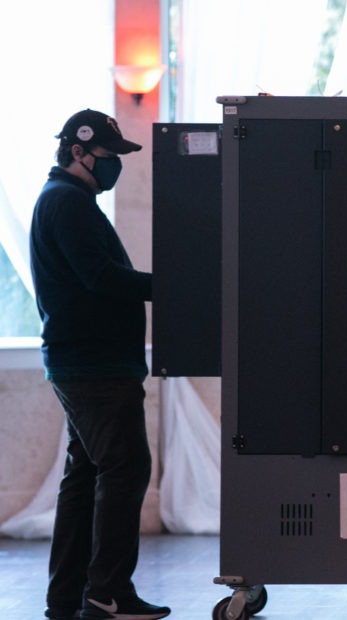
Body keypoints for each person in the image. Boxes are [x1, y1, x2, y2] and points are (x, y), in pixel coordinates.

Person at [30, 109, 169, 620]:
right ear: (78, 152)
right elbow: (101, 277)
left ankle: (67, 596)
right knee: (126, 468)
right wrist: (172, 284)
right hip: (95, 366)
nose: (115, 167)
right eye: (109, 157)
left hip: (83, 362)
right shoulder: (68, 204)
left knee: (86, 475)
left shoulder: (66, 201)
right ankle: (108, 593)